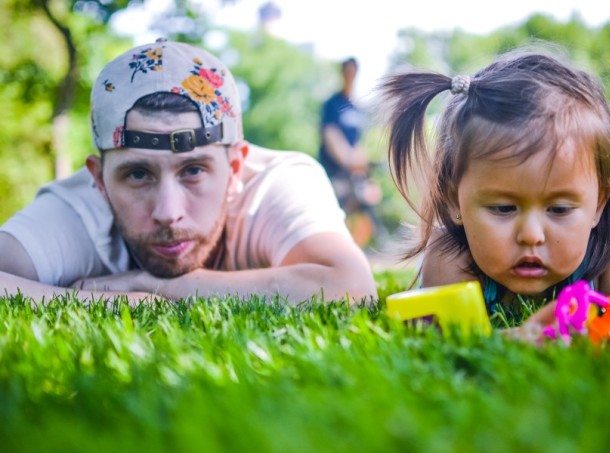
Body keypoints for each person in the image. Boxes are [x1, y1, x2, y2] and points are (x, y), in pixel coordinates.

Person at [0, 39, 376, 305]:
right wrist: (112, 305)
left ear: (235, 167)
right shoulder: (77, 211)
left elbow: (352, 288)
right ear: (98, 180)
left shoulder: (277, 183)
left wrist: (154, 286)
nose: (168, 212)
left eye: (193, 170)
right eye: (137, 175)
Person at [377, 49, 610, 338]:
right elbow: (448, 347)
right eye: (504, 208)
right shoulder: (451, 257)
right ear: (454, 198)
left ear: (599, 203)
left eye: (559, 209)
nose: (532, 235)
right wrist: (519, 339)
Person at [318, 57, 383, 247]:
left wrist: (365, 171)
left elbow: (358, 142)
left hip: (353, 169)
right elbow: (331, 137)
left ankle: (368, 248)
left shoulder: (357, 107)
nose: (350, 76)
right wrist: (349, 160)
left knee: (365, 204)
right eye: (347, 72)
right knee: (336, 210)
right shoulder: (332, 104)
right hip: (335, 171)